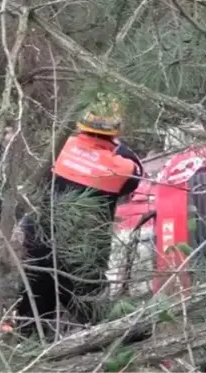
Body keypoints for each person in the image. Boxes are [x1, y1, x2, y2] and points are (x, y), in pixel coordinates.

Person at [14, 96, 143, 337]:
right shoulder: (122, 167)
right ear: (117, 130)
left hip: (38, 241)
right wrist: (115, 147)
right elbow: (136, 176)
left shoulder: (60, 149)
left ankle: (27, 352)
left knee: (34, 313)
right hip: (81, 255)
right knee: (100, 318)